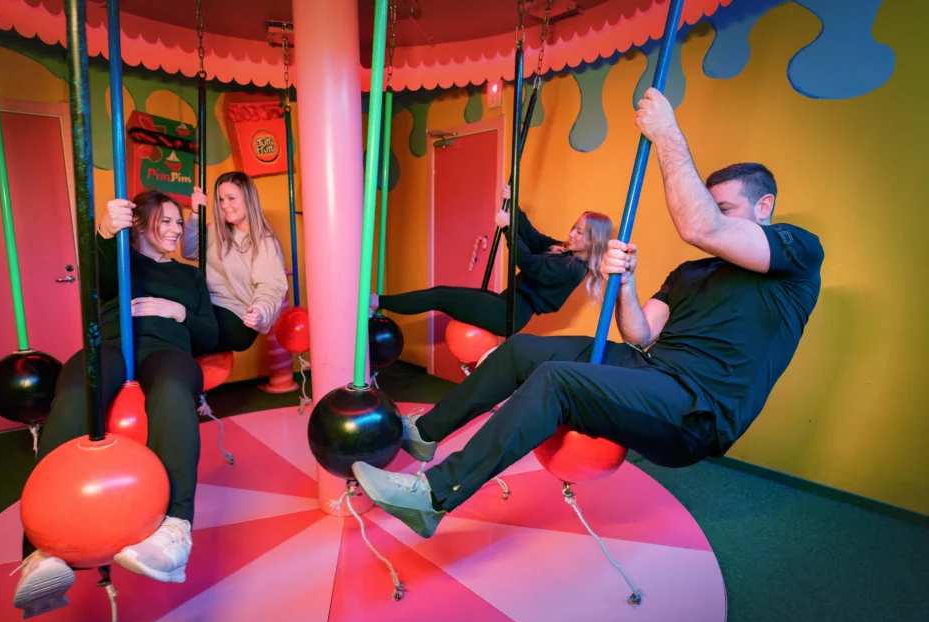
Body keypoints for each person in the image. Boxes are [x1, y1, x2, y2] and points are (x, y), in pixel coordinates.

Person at [352, 87, 824, 539]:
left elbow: (701, 225)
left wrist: (667, 135)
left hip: (698, 409)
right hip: (652, 371)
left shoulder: (796, 254)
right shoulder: (691, 273)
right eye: (713, 204)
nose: (715, 215)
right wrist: (627, 283)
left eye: (726, 207)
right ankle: (425, 433)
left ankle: (432, 496)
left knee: (558, 380)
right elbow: (640, 334)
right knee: (520, 351)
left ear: (764, 206)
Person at [12, 189, 219, 619]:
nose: (176, 230)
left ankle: (176, 530)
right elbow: (99, 280)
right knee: (74, 394)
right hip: (111, 344)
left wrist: (175, 311)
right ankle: (38, 551)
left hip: (167, 350)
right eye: (165, 221)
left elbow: (211, 334)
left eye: (180, 223)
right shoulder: (122, 260)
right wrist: (107, 233)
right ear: (140, 225)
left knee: (173, 394)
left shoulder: (190, 277)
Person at [370, 186, 613, 336]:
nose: (571, 234)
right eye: (574, 228)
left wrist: (508, 229)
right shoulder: (564, 252)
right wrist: (514, 205)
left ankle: (377, 302)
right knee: (440, 293)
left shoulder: (573, 269)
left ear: (593, 241)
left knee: (439, 297)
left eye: (579, 232)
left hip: (510, 314)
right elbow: (534, 238)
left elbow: (529, 263)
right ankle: (378, 302)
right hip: (504, 303)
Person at [182, 171, 289, 353]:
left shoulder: (263, 241)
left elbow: (271, 287)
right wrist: (194, 214)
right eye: (221, 200)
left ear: (248, 198)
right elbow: (189, 251)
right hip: (210, 306)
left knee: (181, 330)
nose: (225, 205)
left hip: (239, 317)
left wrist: (260, 311)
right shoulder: (217, 230)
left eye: (231, 198)